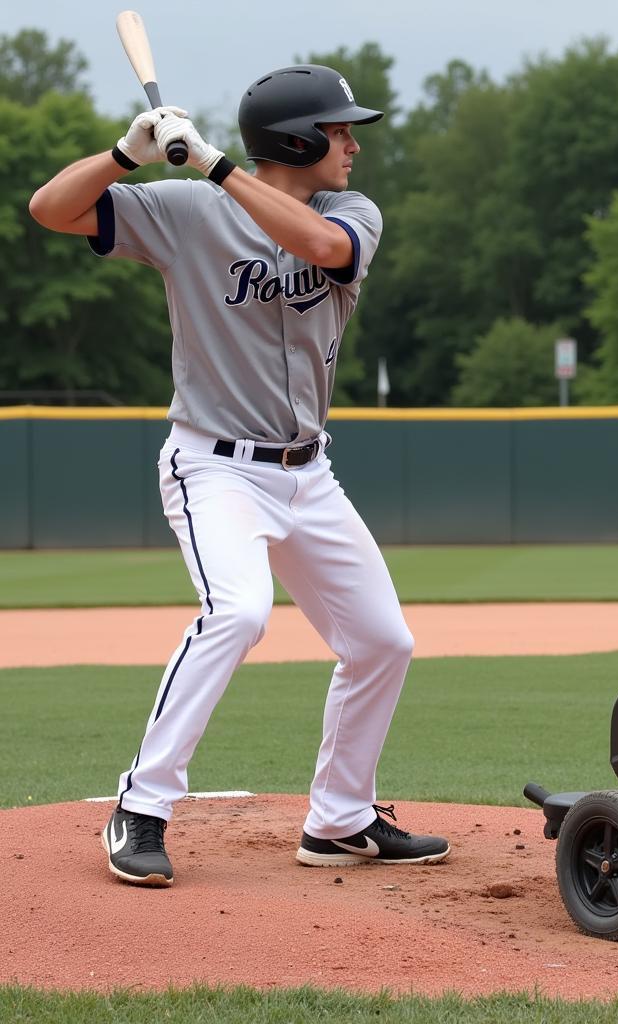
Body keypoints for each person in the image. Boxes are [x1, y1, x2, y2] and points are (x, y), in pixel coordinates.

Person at [29, 65, 450, 887]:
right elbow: (51, 209)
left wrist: (214, 165)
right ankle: (140, 807)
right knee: (238, 612)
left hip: (309, 472)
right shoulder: (184, 214)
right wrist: (124, 153)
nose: (353, 144)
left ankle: (339, 819)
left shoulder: (349, 213)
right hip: (213, 466)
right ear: (296, 140)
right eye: (338, 131)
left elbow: (325, 250)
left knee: (383, 643)